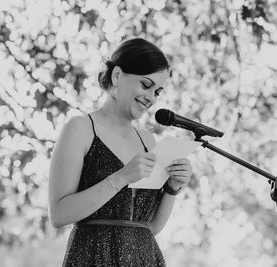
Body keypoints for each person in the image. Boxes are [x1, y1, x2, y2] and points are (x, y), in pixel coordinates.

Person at [48, 37, 193, 266]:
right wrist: (122, 177)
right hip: (92, 257)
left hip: (145, 258)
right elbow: (59, 214)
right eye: (146, 85)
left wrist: (172, 190)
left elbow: (149, 227)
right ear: (117, 76)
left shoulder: (148, 141)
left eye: (158, 92)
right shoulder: (80, 129)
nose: (151, 98)